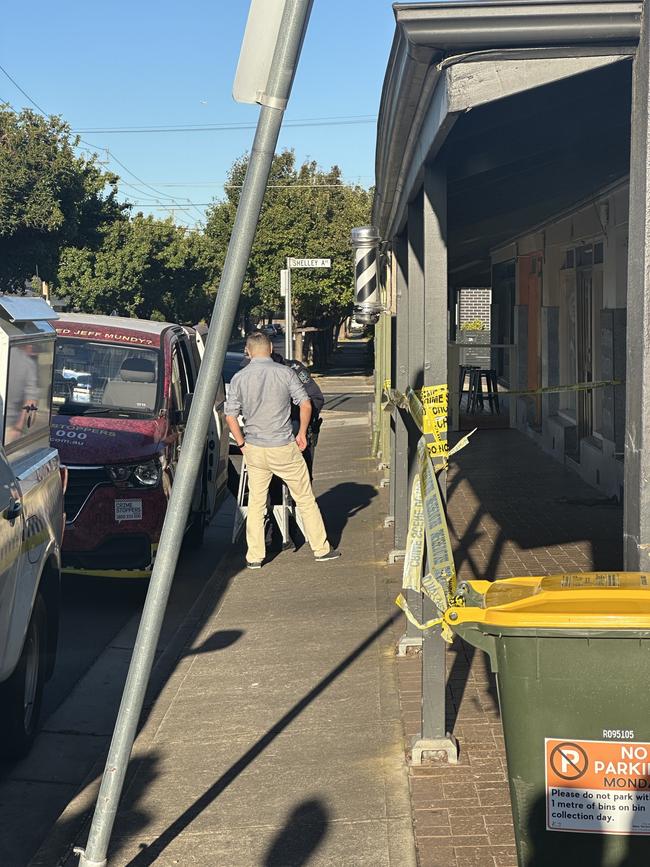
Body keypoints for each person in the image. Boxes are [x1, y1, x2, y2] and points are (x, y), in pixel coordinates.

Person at [225, 331, 340, 570]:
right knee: (305, 498)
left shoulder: (239, 378)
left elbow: (230, 416)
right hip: (283, 446)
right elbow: (306, 403)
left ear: (248, 351)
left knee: (256, 502)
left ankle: (254, 556)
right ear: (270, 349)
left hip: (255, 448)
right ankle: (321, 549)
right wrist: (302, 433)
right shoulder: (285, 373)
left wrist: (242, 442)